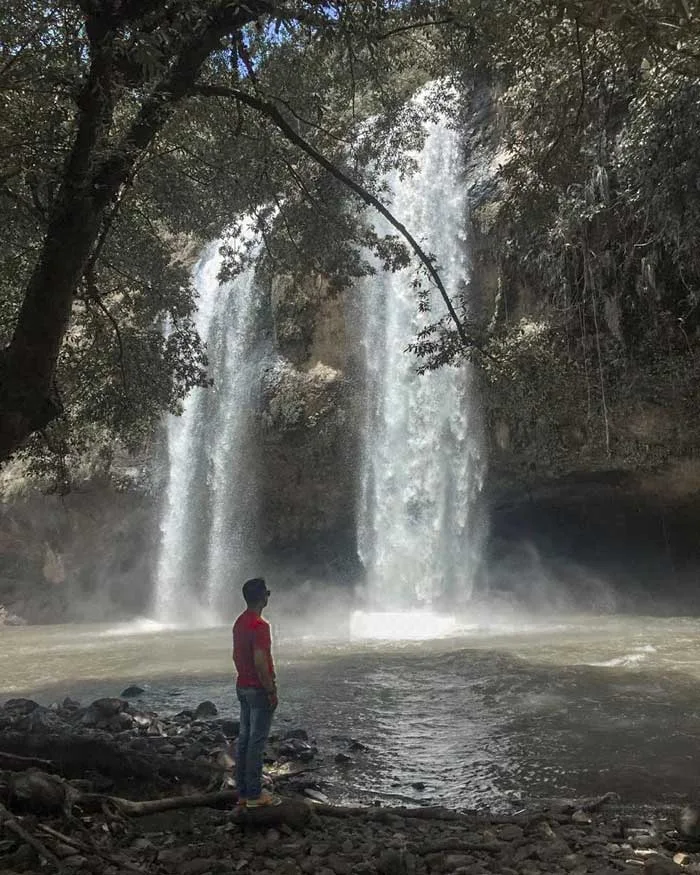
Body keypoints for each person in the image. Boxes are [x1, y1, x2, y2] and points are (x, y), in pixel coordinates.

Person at [232, 577, 281, 808]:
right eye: (267, 593)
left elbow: (236, 656)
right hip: (257, 689)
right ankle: (254, 795)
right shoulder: (260, 626)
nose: (268, 596)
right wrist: (270, 690)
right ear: (262, 597)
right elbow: (261, 661)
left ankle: (242, 793)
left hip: (242, 686)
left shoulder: (239, 622)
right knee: (256, 743)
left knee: (244, 740)